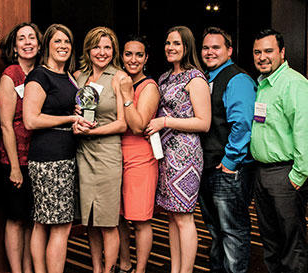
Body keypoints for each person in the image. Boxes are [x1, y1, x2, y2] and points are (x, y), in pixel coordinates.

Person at [251, 29, 308, 273]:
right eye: (257, 52)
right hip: (264, 174)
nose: (262, 57)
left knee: (292, 244)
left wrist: (298, 176)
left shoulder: (294, 84)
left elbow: (307, 132)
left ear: (282, 52)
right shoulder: (264, 84)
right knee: (270, 242)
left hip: (287, 174)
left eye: (268, 51)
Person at [146, 26, 211, 273]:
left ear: (187, 47)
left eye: (176, 43)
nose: (170, 48)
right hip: (164, 155)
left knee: (184, 217)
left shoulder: (195, 78)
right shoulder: (164, 78)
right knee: (172, 216)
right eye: (167, 43)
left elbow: (203, 123)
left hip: (186, 157)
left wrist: (165, 122)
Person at [22, 24, 85, 273]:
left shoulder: (67, 76)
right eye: (57, 41)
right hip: (50, 159)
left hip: (62, 156)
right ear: (47, 44)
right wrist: (70, 119)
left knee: (42, 223)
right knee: (60, 225)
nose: (63, 46)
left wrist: (76, 112)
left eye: (67, 41)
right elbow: (31, 119)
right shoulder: (40, 75)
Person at [198, 27, 256, 273]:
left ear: (229, 50)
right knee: (215, 229)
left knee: (233, 230)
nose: (210, 52)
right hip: (209, 167)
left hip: (228, 168)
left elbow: (242, 124)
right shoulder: (205, 78)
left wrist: (230, 161)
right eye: (206, 48)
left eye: (216, 47)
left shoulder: (237, 79)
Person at [73, 26, 127, 273]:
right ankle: (96, 268)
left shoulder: (119, 78)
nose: (102, 52)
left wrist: (91, 131)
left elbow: (122, 123)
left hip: (107, 154)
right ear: (88, 49)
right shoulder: (78, 77)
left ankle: (108, 270)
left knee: (107, 220)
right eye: (96, 46)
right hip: (83, 154)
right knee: (90, 221)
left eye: (107, 46)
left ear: (113, 50)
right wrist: (75, 117)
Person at [0, 22, 42, 273]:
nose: (27, 43)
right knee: (15, 220)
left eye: (32, 38)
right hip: (15, 160)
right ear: (14, 46)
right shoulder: (11, 75)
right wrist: (15, 167)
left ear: (38, 43)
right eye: (21, 39)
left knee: (29, 220)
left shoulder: (41, 72)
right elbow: (5, 124)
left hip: (38, 159)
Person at [117, 35, 160, 273]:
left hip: (141, 159)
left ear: (146, 59)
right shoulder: (120, 80)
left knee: (140, 220)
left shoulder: (149, 87)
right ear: (122, 56)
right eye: (128, 54)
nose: (133, 59)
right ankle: (125, 264)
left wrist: (125, 96)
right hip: (116, 156)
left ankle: (140, 269)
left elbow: (138, 126)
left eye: (139, 55)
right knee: (120, 218)